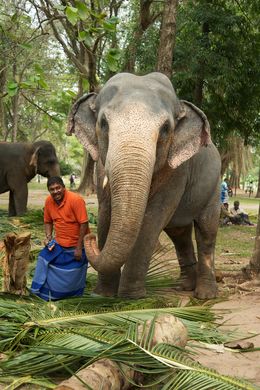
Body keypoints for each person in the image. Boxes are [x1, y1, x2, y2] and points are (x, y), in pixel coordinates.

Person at [31, 176, 90, 301]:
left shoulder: (76, 200)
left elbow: (84, 224)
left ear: (64, 187)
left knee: (73, 271)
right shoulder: (48, 201)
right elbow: (48, 222)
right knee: (42, 258)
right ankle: (36, 291)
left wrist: (79, 248)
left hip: (77, 244)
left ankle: (70, 294)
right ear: (49, 191)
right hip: (59, 243)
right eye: (52, 189)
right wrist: (48, 237)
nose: (55, 191)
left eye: (58, 188)